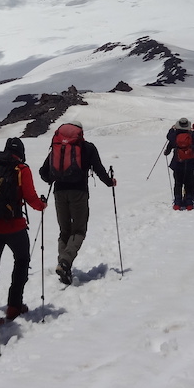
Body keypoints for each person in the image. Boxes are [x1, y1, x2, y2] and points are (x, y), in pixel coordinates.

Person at [0, 137, 48, 329]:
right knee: (22, 261)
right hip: (15, 226)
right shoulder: (21, 169)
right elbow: (30, 196)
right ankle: (14, 305)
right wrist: (41, 205)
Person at [39, 120, 116, 285]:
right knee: (79, 231)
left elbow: (43, 172)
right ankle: (65, 262)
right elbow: (99, 169)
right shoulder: (87, 147)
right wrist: (110, 182)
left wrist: (54, 177)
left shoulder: (57, 146)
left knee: (64, 232)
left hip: (59, 192)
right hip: (79, 192)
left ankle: (63, 265)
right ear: (80, 133)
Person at [163, 117, 194, 210]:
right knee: (188, 182)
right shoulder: (191, 135)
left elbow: (169, 139)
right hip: (190, 162)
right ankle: (189, 202)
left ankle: (177, 202)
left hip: (178, 162)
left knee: (178, 183)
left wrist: (172, 129)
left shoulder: (174, 136)